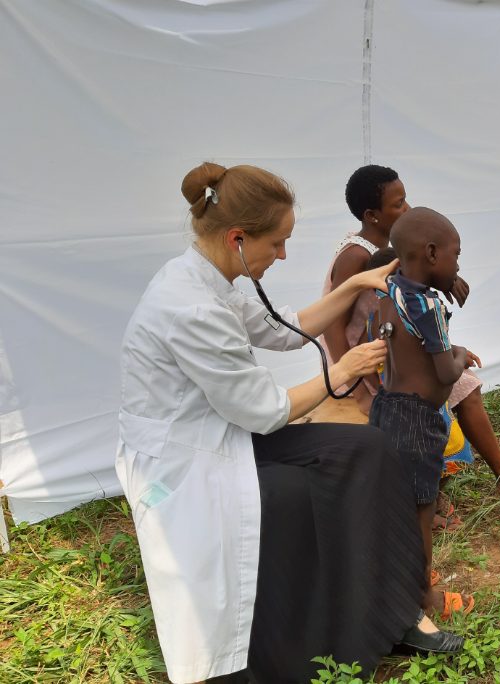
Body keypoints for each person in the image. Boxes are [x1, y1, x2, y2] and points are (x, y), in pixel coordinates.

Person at [116, 162, 462, 684]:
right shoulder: (188, 306)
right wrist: (341, 371)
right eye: (277, 243)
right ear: (237, 238)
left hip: (224, 434)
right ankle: (320, 638)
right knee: (296, 493)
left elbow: (285, 331)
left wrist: (355, 286)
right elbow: (264, 409)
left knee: (369, 451)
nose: (282, 255)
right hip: (186, 458)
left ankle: (392, 610)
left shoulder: (218, 277)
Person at [322, 165, 500, 500]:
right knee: (437, 394)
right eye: (397, 204)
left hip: (395, 349)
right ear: (372, 215)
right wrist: (355, 380)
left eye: (405, 201)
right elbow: (333, 326)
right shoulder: (356, 254)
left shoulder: (394, 248)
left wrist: (446, 277)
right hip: (365, 363)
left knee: (467, 387)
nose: (406, 209)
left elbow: (409, 283)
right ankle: (431, 498)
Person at [370, 207, 477, 620]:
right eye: (456, 256)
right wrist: (462, 354)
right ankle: (423, 598)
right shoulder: (427, 306)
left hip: (387, 408)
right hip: (416, 421)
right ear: (431, 253)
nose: (458, 265)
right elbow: (444, 370)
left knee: (395, 506)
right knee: (421, 513)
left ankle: (391, 581)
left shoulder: (388, 291)